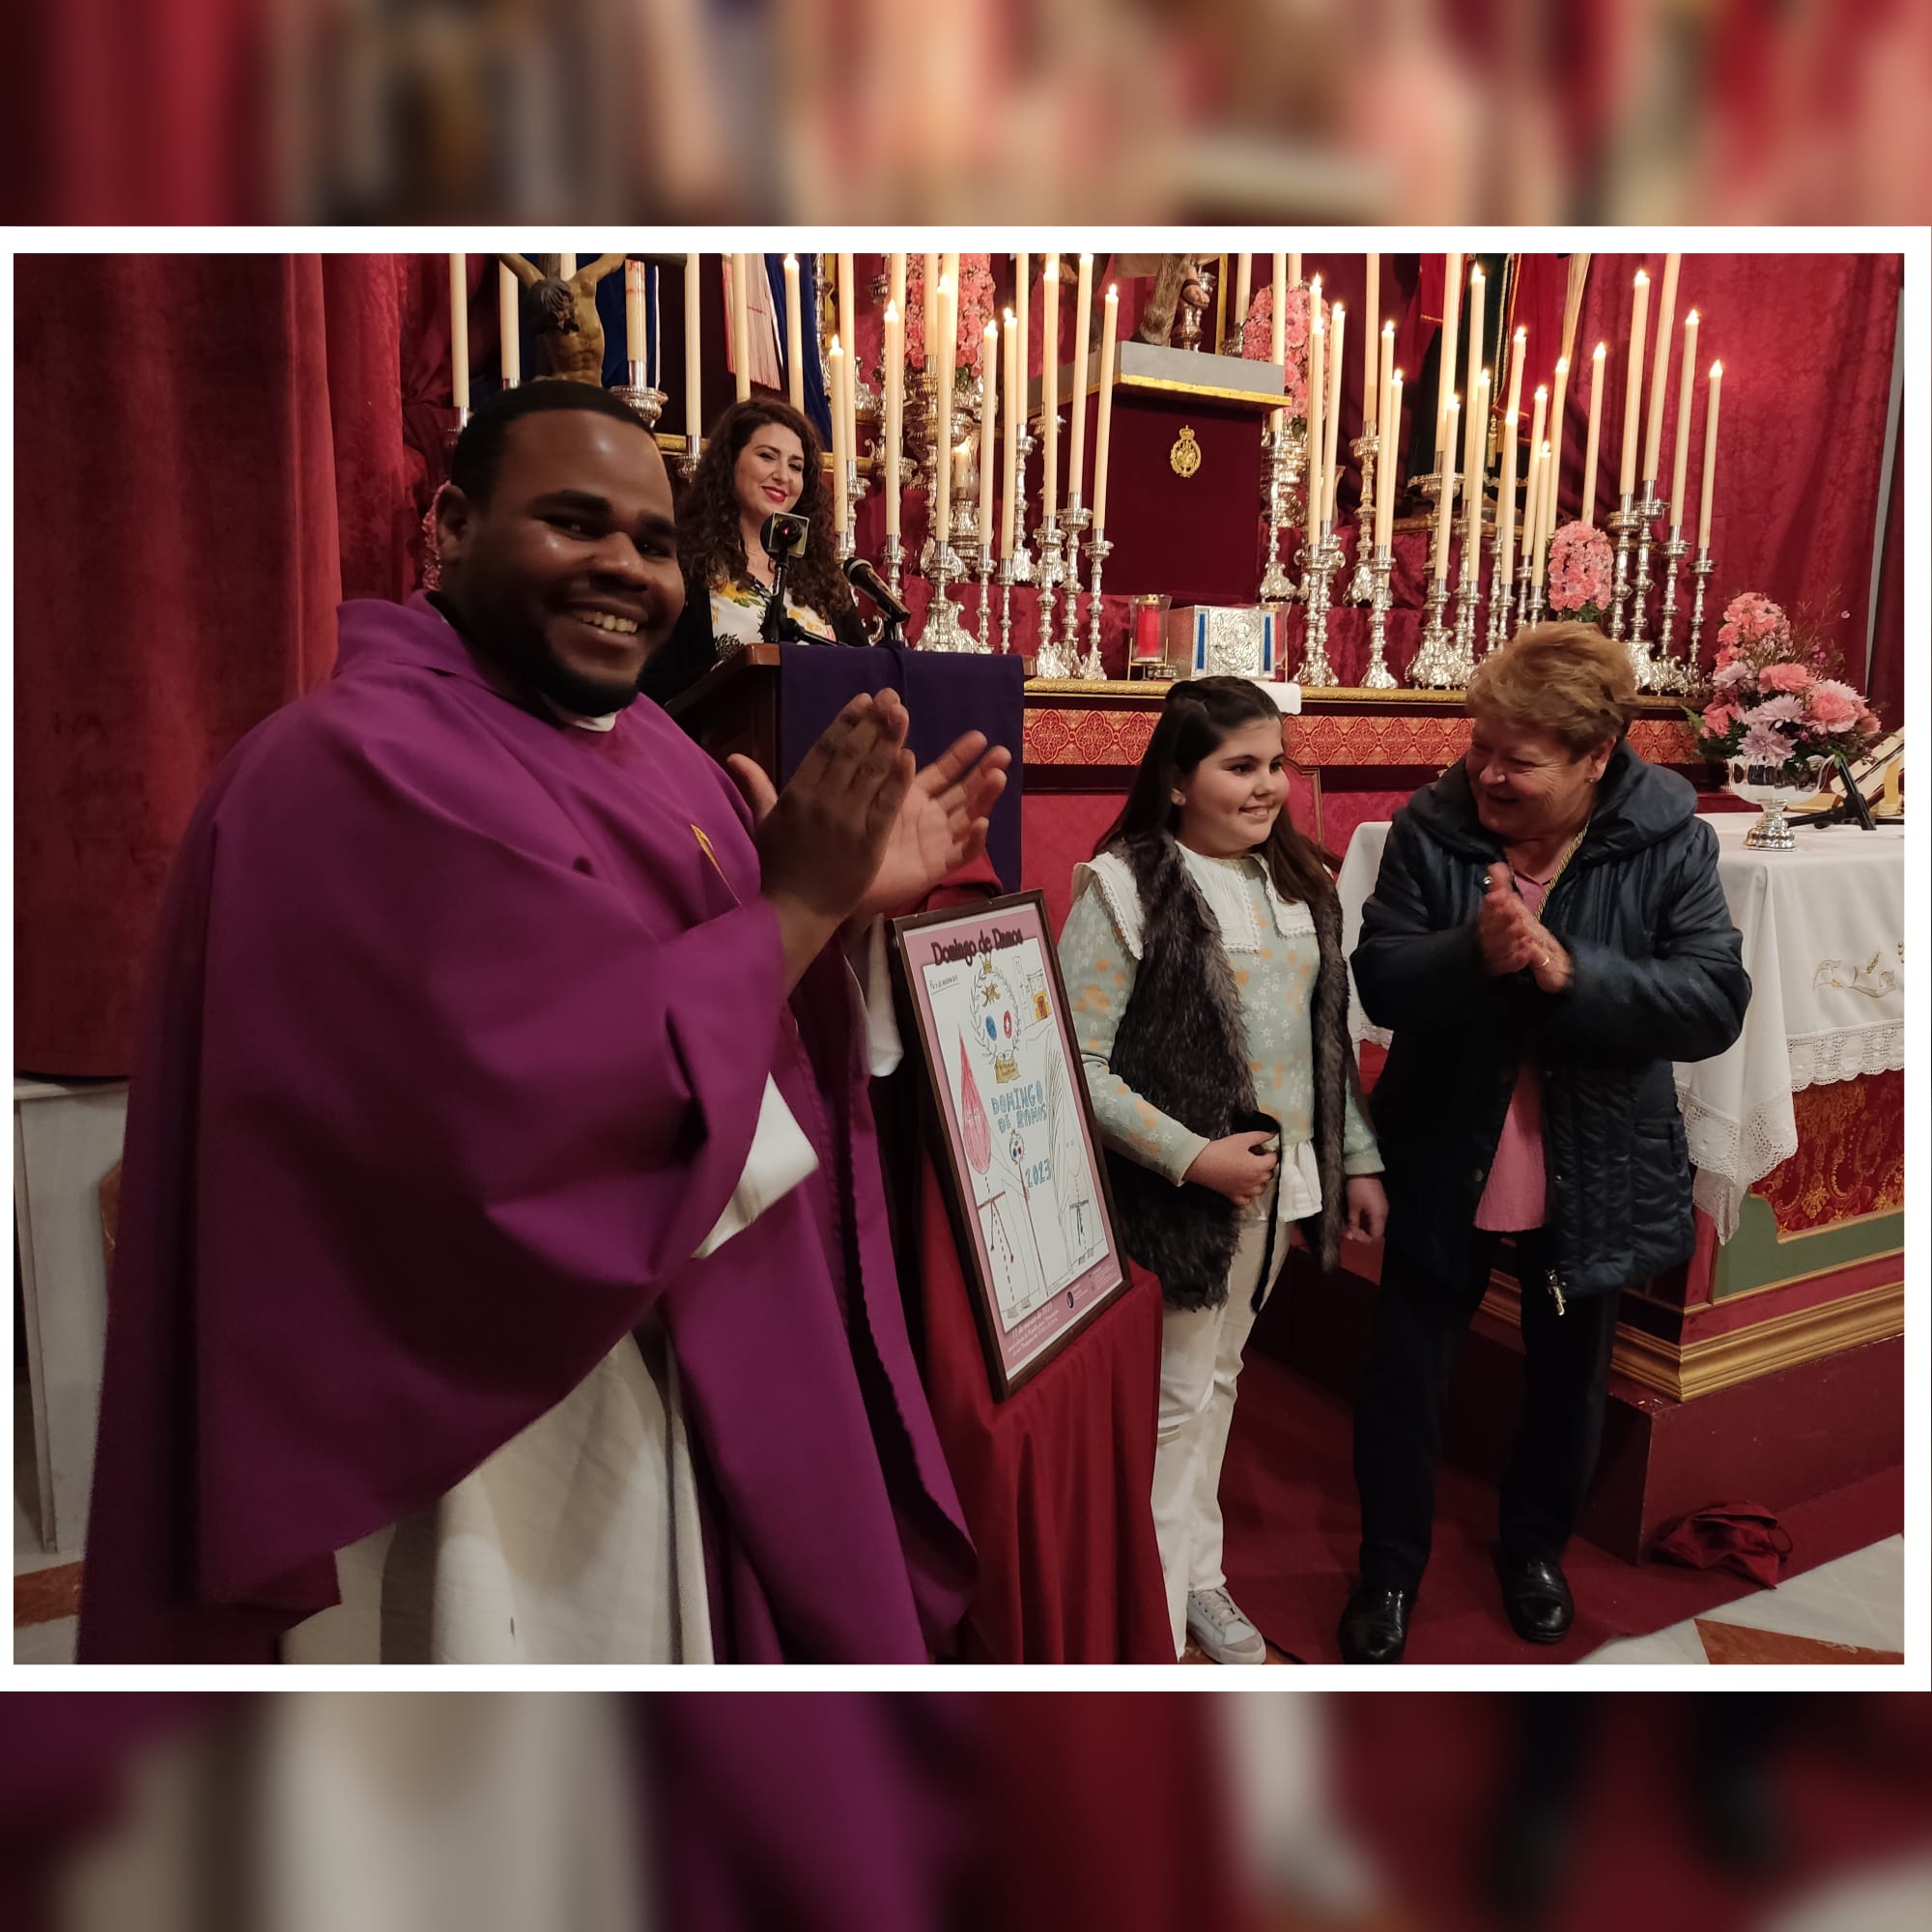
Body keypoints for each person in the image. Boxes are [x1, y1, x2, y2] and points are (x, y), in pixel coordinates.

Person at [78, 380, 1009, 1662]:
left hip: (677, 1359)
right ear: (452, 524)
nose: (624, 567)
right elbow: (543, 1115)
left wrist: (827, 911)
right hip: (491, 1422)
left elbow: (729, 1003)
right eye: (575, 522)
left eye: (653, 541)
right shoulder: (356, 764)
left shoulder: (654, 747)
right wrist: (791, 906)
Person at [1339, 623, 1748, 1664]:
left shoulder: (1670, 840)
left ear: (1594, 757)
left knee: (1568, 1382)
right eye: (1479, 746)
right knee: (1405, 1378)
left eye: (1516, 759)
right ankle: (1387, 1570)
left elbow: (1712, 1001)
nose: (1484, 773)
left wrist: (1575, 974)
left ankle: (1534, 1551)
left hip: (1591, 1157)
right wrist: (1470, 955)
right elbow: (1379, 975)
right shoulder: (1431, 828)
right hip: (1445, 1143)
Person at [1057, 676, 1387, 1663]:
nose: (1267, 786)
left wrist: (1356, 1158)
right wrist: (1191, 1155)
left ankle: (1197, 1574)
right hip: (1175, 1199)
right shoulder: (1124, 886)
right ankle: (1149, 1621)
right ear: (1175, 778)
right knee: (1173, 1402)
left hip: (1275, 1186)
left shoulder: (1299, 882)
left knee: (1223, 1377)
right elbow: (1074, 1058)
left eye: (1275, 764)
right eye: (1240, 766)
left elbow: (1326, 1037)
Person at [639, 396, 866, 704]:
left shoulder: (824, 579)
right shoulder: (686, 564)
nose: (783, 476)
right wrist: (729, 676)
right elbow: (649, 682)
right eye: (767, 456)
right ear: (731, 462)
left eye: (795, 466)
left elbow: (865, 671)